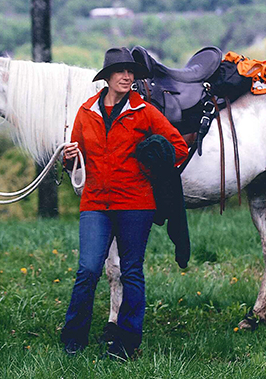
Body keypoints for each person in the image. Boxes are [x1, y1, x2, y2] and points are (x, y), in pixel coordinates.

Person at [61, 47, 188, 360]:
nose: (128, 77)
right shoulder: (86, 112)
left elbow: (178, 148)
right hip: (95, 203)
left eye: (131, 72)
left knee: (131, 270)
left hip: (135, 204)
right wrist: (69, 160)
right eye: (121, 71)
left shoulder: (144, 112)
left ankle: (126, 343)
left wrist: (149, 168)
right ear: (107, 76)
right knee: (88, 270)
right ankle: (73, 339)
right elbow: (75, 160)